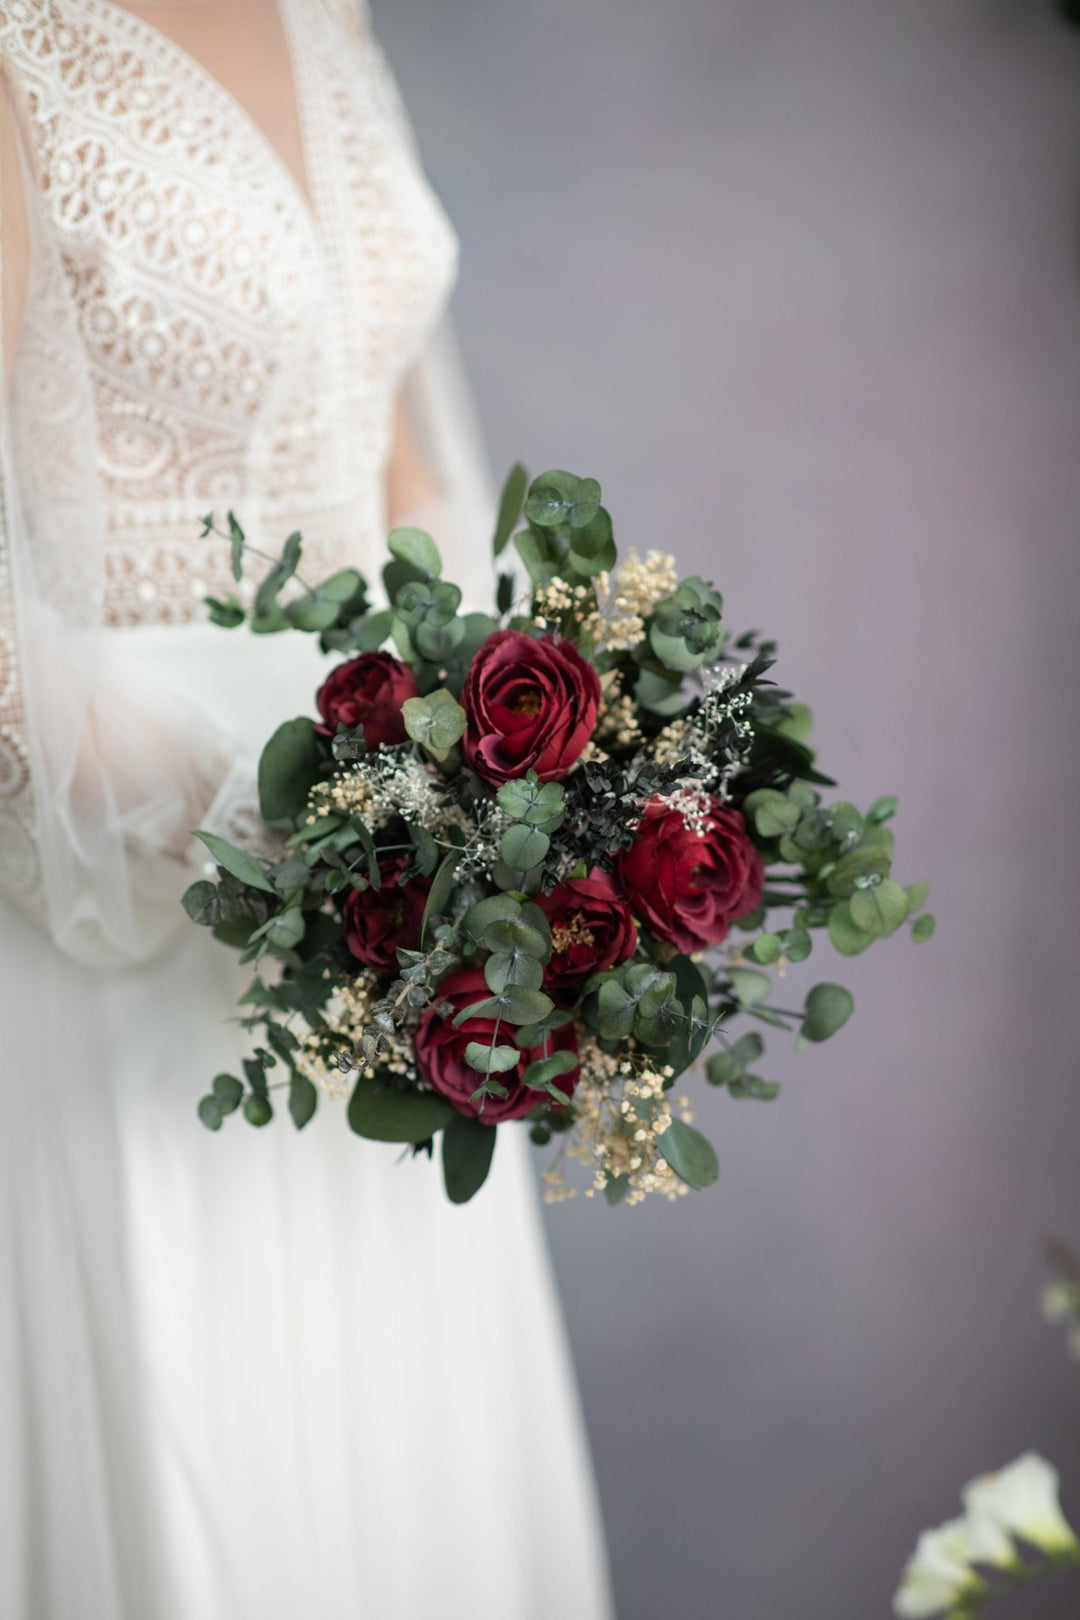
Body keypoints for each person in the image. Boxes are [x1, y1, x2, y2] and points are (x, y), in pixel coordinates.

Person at [0, 3, 613, 1616]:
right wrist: (258, 817)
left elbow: (394, 449)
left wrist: (516, 765)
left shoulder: (326, 18)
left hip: (389, 913)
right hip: (114, 885)